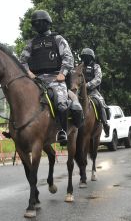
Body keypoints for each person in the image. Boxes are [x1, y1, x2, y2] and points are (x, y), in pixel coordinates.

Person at [19, 10, 82, 142]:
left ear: (47, 23)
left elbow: (68, 58)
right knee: (20, 98)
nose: (38, 25)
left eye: (40, 23)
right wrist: (28, 72)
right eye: (35, 23)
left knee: (61, 104)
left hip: (55, 79)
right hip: (36, 80)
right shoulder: (32, 43)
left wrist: (62, 73)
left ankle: (62, 132)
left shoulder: (58, 39)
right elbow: (22, 61)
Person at [80, 48, 110, 136]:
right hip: (79, 91)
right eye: (83, 57)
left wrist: (87, 85)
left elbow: (98, 79)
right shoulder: (79, 67)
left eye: (86, 57)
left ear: (91, 57)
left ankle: (105, 124)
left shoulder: (96, 66)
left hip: (92, 91)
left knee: (100, 102)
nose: (85, 58)